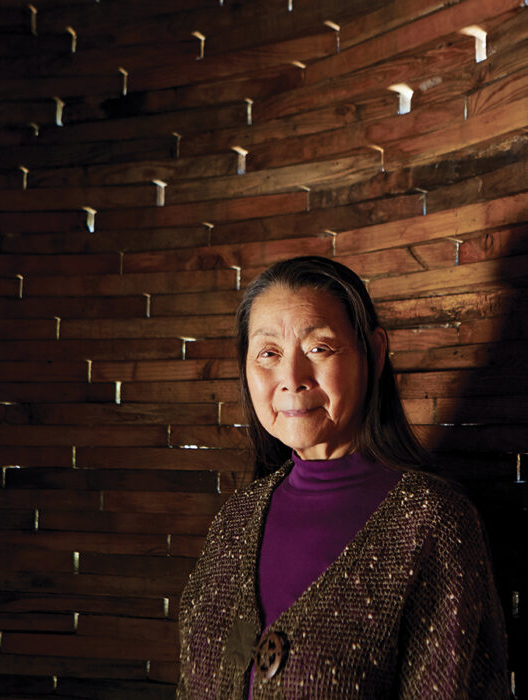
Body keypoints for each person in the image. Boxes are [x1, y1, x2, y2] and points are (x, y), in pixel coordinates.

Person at [178, 256, 509, 699]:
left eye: (319, 348)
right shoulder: (233, 522)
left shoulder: (431, 523)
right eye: (268, 354)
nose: (291, 379)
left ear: (373, 354)